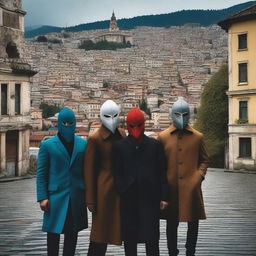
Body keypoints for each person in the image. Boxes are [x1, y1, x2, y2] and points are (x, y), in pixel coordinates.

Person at [113, 107, 169, 256]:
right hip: (128, 201)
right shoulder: (119, 147)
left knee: (152, 242)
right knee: (130, 242)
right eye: (132, 126)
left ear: (144, 124)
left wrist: (164, 196)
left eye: (138, 125)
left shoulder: (155, 146)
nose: (135, 129)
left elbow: (162, 172)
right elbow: (116, 173)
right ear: (127, 125)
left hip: (150, 200)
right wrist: (122, 189)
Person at [158, 98, 209, 256]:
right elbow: (159, 165)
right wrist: (162, 190)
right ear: (172, 115)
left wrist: (198, 177)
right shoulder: (163, 137)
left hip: (192, 188)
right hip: (170, 189)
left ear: (190, 115)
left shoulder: (198, 137)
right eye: (178, 114)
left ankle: (190, 252)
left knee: (193, 223)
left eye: (184, 114)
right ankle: (172, 251)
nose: (181, 117)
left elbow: (205, 159)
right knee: (171, 224)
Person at [36, 107, 88, 256]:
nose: (67, 126)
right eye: (64, 123)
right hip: (55, 198)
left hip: (76, 197)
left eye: (70, 123)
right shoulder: (47, 145)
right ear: (58, 123)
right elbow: (41, 173)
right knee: (53, 236)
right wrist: (42, 197)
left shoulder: (83, 144)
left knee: (72, 236)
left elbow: (86, 171)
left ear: (75, 123)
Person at [84, 100, 126, 255]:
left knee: (119, 231)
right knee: (99, 235)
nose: (112, 119)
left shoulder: (122, 134)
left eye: (115, 116)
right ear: (101, 117)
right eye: (108, 116)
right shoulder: (95, 139)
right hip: (103, 193)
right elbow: (89, 171)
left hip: (121, 190)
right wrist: (90, 200)